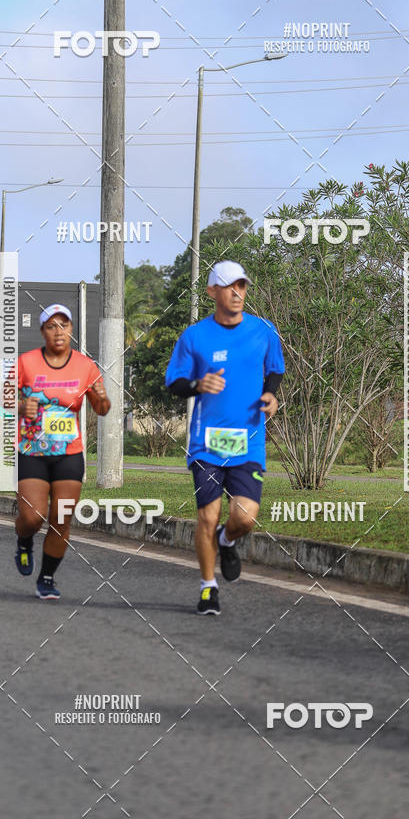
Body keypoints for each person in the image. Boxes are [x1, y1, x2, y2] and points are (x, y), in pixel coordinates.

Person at [165, 261, 285, 615]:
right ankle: (207, 588)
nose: (237, 293)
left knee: (245, 517)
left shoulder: (264, 330)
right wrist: (197, 385)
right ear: (212, 292)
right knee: (207, 515)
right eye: (229, 286)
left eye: (242, 286)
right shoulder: (194, 337)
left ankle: (226, 540)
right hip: (208, 442)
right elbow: (174, 382)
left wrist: (270, 394)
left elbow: (275, 368)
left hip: (248, 441)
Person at [14, 304, 110, 599]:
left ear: (71, 330)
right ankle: (24, 540)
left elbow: (102, 408)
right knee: (32, 517)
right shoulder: (25, 362)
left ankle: (46, 578)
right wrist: (20, 405)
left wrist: (101, 398)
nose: (59, 331)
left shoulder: (86, 366)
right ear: (43, 331)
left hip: (69, 453)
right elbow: (1, 399)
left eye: (64, 325)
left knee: (61, 518)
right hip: (32, 451)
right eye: (52, 326)